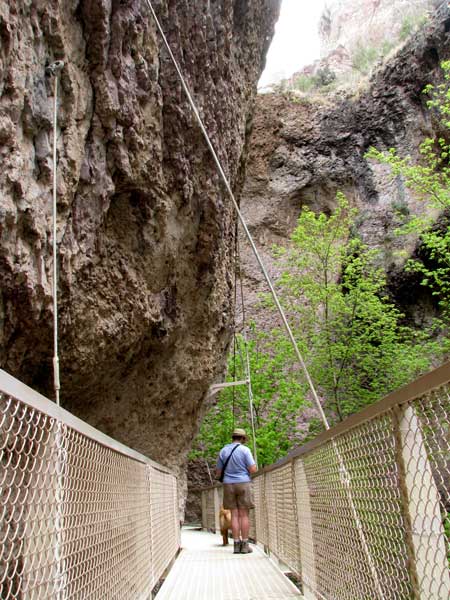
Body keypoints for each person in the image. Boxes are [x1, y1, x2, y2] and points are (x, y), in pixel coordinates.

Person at [216, 428, 257, 554]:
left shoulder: (223, 450)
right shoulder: (245, 450)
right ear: (243, 438)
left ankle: (236, 544)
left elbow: (218, 473)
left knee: (234, 515)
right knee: (244, 515)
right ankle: (245, 545)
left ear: (232, 437)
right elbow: (253, 469)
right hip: (243, 482)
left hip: (228, 484)